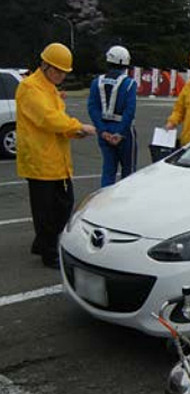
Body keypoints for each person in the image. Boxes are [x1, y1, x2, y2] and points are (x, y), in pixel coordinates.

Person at [16, 42, 96, 268]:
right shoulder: (30, 88)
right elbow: (48, 119)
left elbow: (56, 121)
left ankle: (42, 243)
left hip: (56, 159)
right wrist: (78, 126)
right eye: (58, 70)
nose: (61, 75)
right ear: (45, 65)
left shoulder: (49, 88)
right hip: (40, 160)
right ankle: (49, 252)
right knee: (47, 210)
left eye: (64, 72)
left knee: (62, 204)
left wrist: (74, 133)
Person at [87, 45, 138, 187]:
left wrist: (102, 130)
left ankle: (105, 202)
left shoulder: (96, 82)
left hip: (104, 130)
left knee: (108, 171)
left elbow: (92, 107)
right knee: (129, 171)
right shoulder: (129, 83)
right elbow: (130, 110)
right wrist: (120, 132)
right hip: (124, 131)